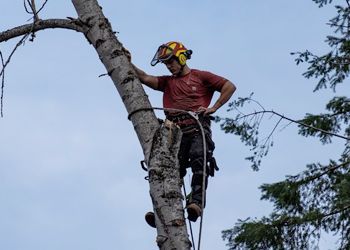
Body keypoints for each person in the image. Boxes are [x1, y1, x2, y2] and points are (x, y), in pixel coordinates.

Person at [125, 41, 236, 225]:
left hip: (196, 128)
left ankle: (196, 203)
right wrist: (129, 62)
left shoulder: (200, 76)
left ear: (182, 58)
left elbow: (229, 86)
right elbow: (144, 77)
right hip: (174, 132)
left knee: (199, 161)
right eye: (166, 64)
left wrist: (214, 107)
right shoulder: (167, 82)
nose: (169, 67)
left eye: (171, 62)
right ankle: (162, 212)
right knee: (168, 170)